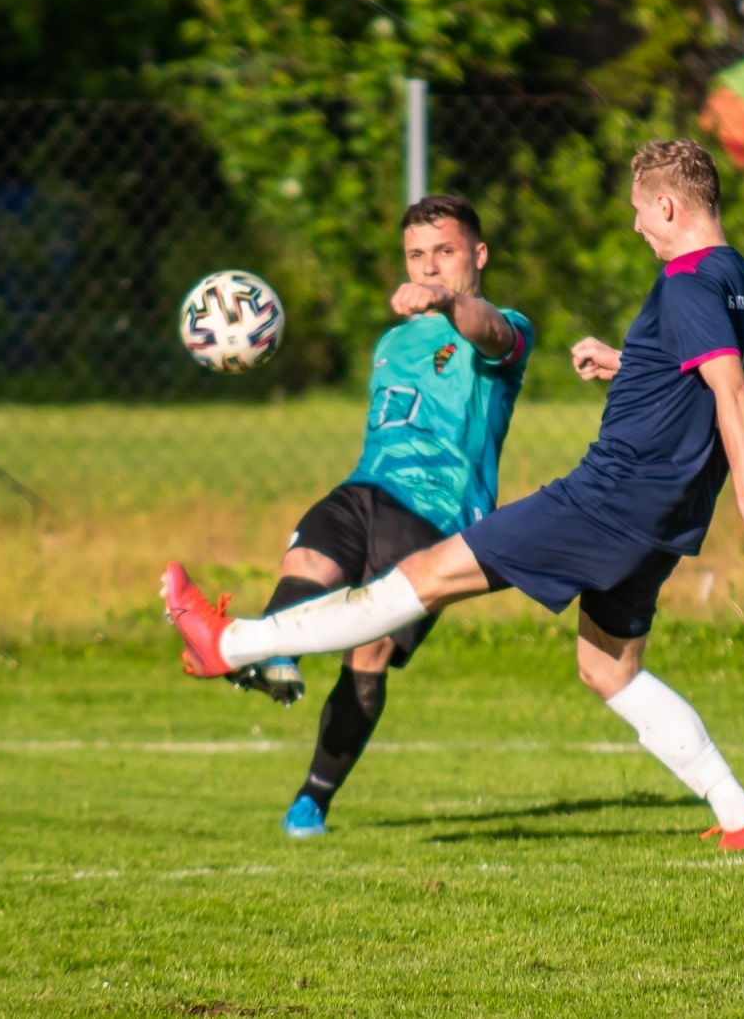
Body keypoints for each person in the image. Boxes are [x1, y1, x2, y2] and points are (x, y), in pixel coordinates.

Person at [163, 139, 744, 853]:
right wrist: (630, 364)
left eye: (637, 214)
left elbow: (729, 391)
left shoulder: (685, 279)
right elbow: (695, 375)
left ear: (666, 204)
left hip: (610, 497)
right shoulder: (734, 275)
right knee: (607, 668)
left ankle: (232, 641)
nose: (635, 229)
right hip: (664, 513)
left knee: (425, 576)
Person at [193, 194, 534, 838]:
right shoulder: (391, 341)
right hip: (366, 487)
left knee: (368, 651)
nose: (429, 267)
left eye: (445, 252)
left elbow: (489, 332)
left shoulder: (502, 326)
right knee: (307, 560)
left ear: (478, 255)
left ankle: (313, 799)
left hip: (438, 516)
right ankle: (272, 653)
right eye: (416, 256)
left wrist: (448, 306)